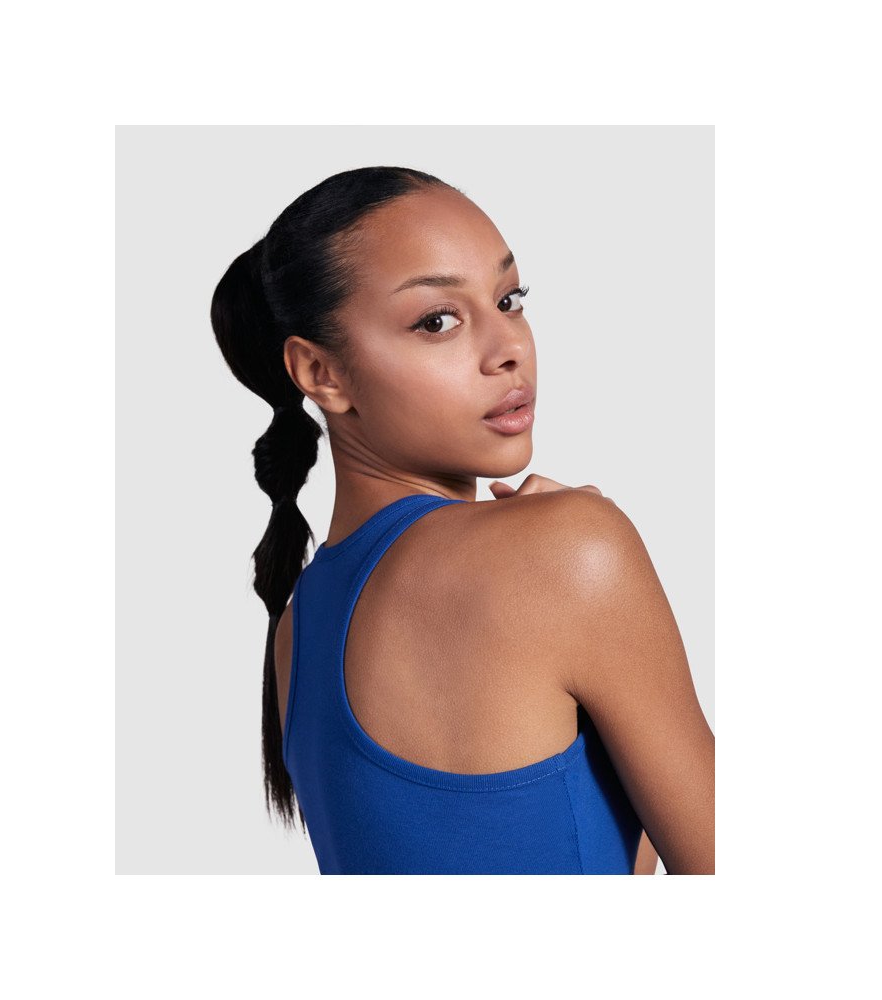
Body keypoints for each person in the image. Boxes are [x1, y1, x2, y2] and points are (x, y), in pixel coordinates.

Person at [210, 166, 714, 874]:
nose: (510, 348)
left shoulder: (298, 626)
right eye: (437, 321)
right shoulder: (566, 552)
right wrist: (577, 533)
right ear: (322, 373)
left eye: (509, 299)